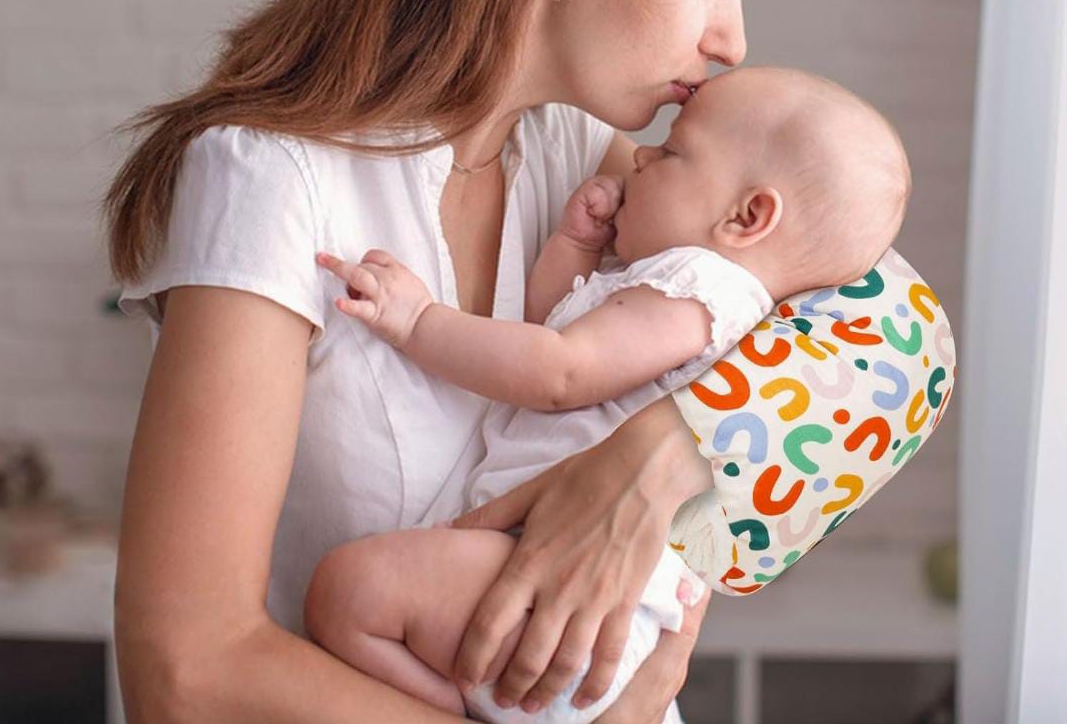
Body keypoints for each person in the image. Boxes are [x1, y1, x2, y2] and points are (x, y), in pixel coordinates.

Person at [103, 0, 856, 722]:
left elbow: (906, 339)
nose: (732, 40)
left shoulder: (594, 174)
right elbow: (183, 673)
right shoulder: (272, 181)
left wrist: (663, 452)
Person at [302, 65, 910, 722]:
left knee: (350, 594)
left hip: (564, 595)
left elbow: (559, 373)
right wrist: (576, 248)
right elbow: (555, 330)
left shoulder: (702, 288)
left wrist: (419, 323)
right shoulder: (669, 286)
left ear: (747, 216)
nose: (642, 156)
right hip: (562, 590)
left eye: (673, 152)